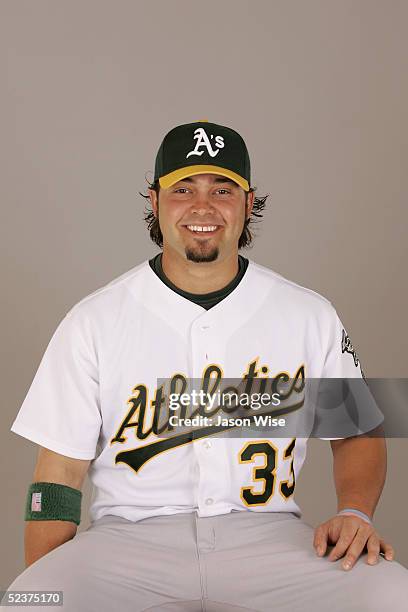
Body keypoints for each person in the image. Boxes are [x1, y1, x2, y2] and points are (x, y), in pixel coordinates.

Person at [3, 120, 408, 611]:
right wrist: (46, 584)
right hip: (127, 542)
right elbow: (58, 475)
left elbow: (358, 433)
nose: (203, 206)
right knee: (30, 603)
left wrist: (354, 513)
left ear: (248, 202)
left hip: (270, 539)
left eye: (222, 188)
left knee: (392, 595)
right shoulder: (94, 319)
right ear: (154, 201)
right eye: (183, 189)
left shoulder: (308, 313)